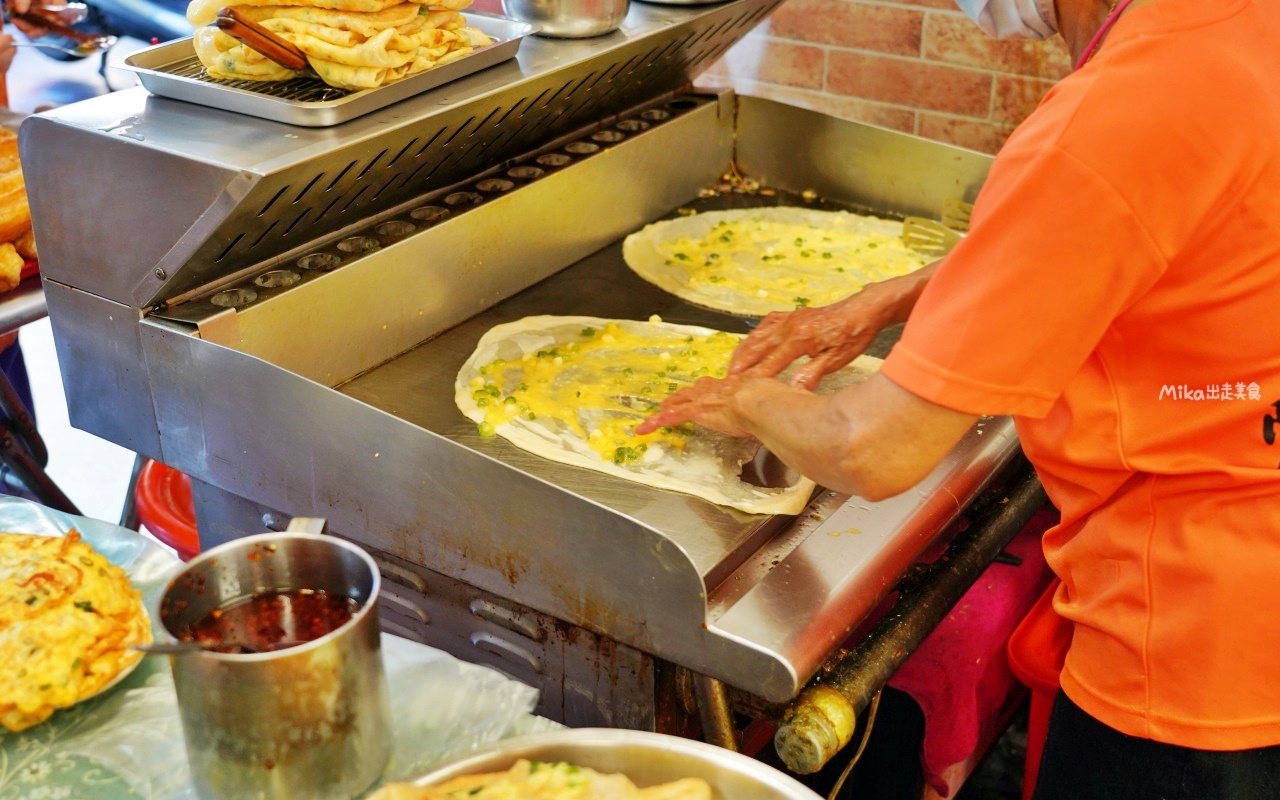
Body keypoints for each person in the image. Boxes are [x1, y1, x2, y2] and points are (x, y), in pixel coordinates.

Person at [638, 0, 1280, 797]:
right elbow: (1114, 227)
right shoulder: (1240, 28)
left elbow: (866, 447)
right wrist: (888, 298)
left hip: (1189, 644)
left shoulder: (1116, 112)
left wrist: (744, 399)